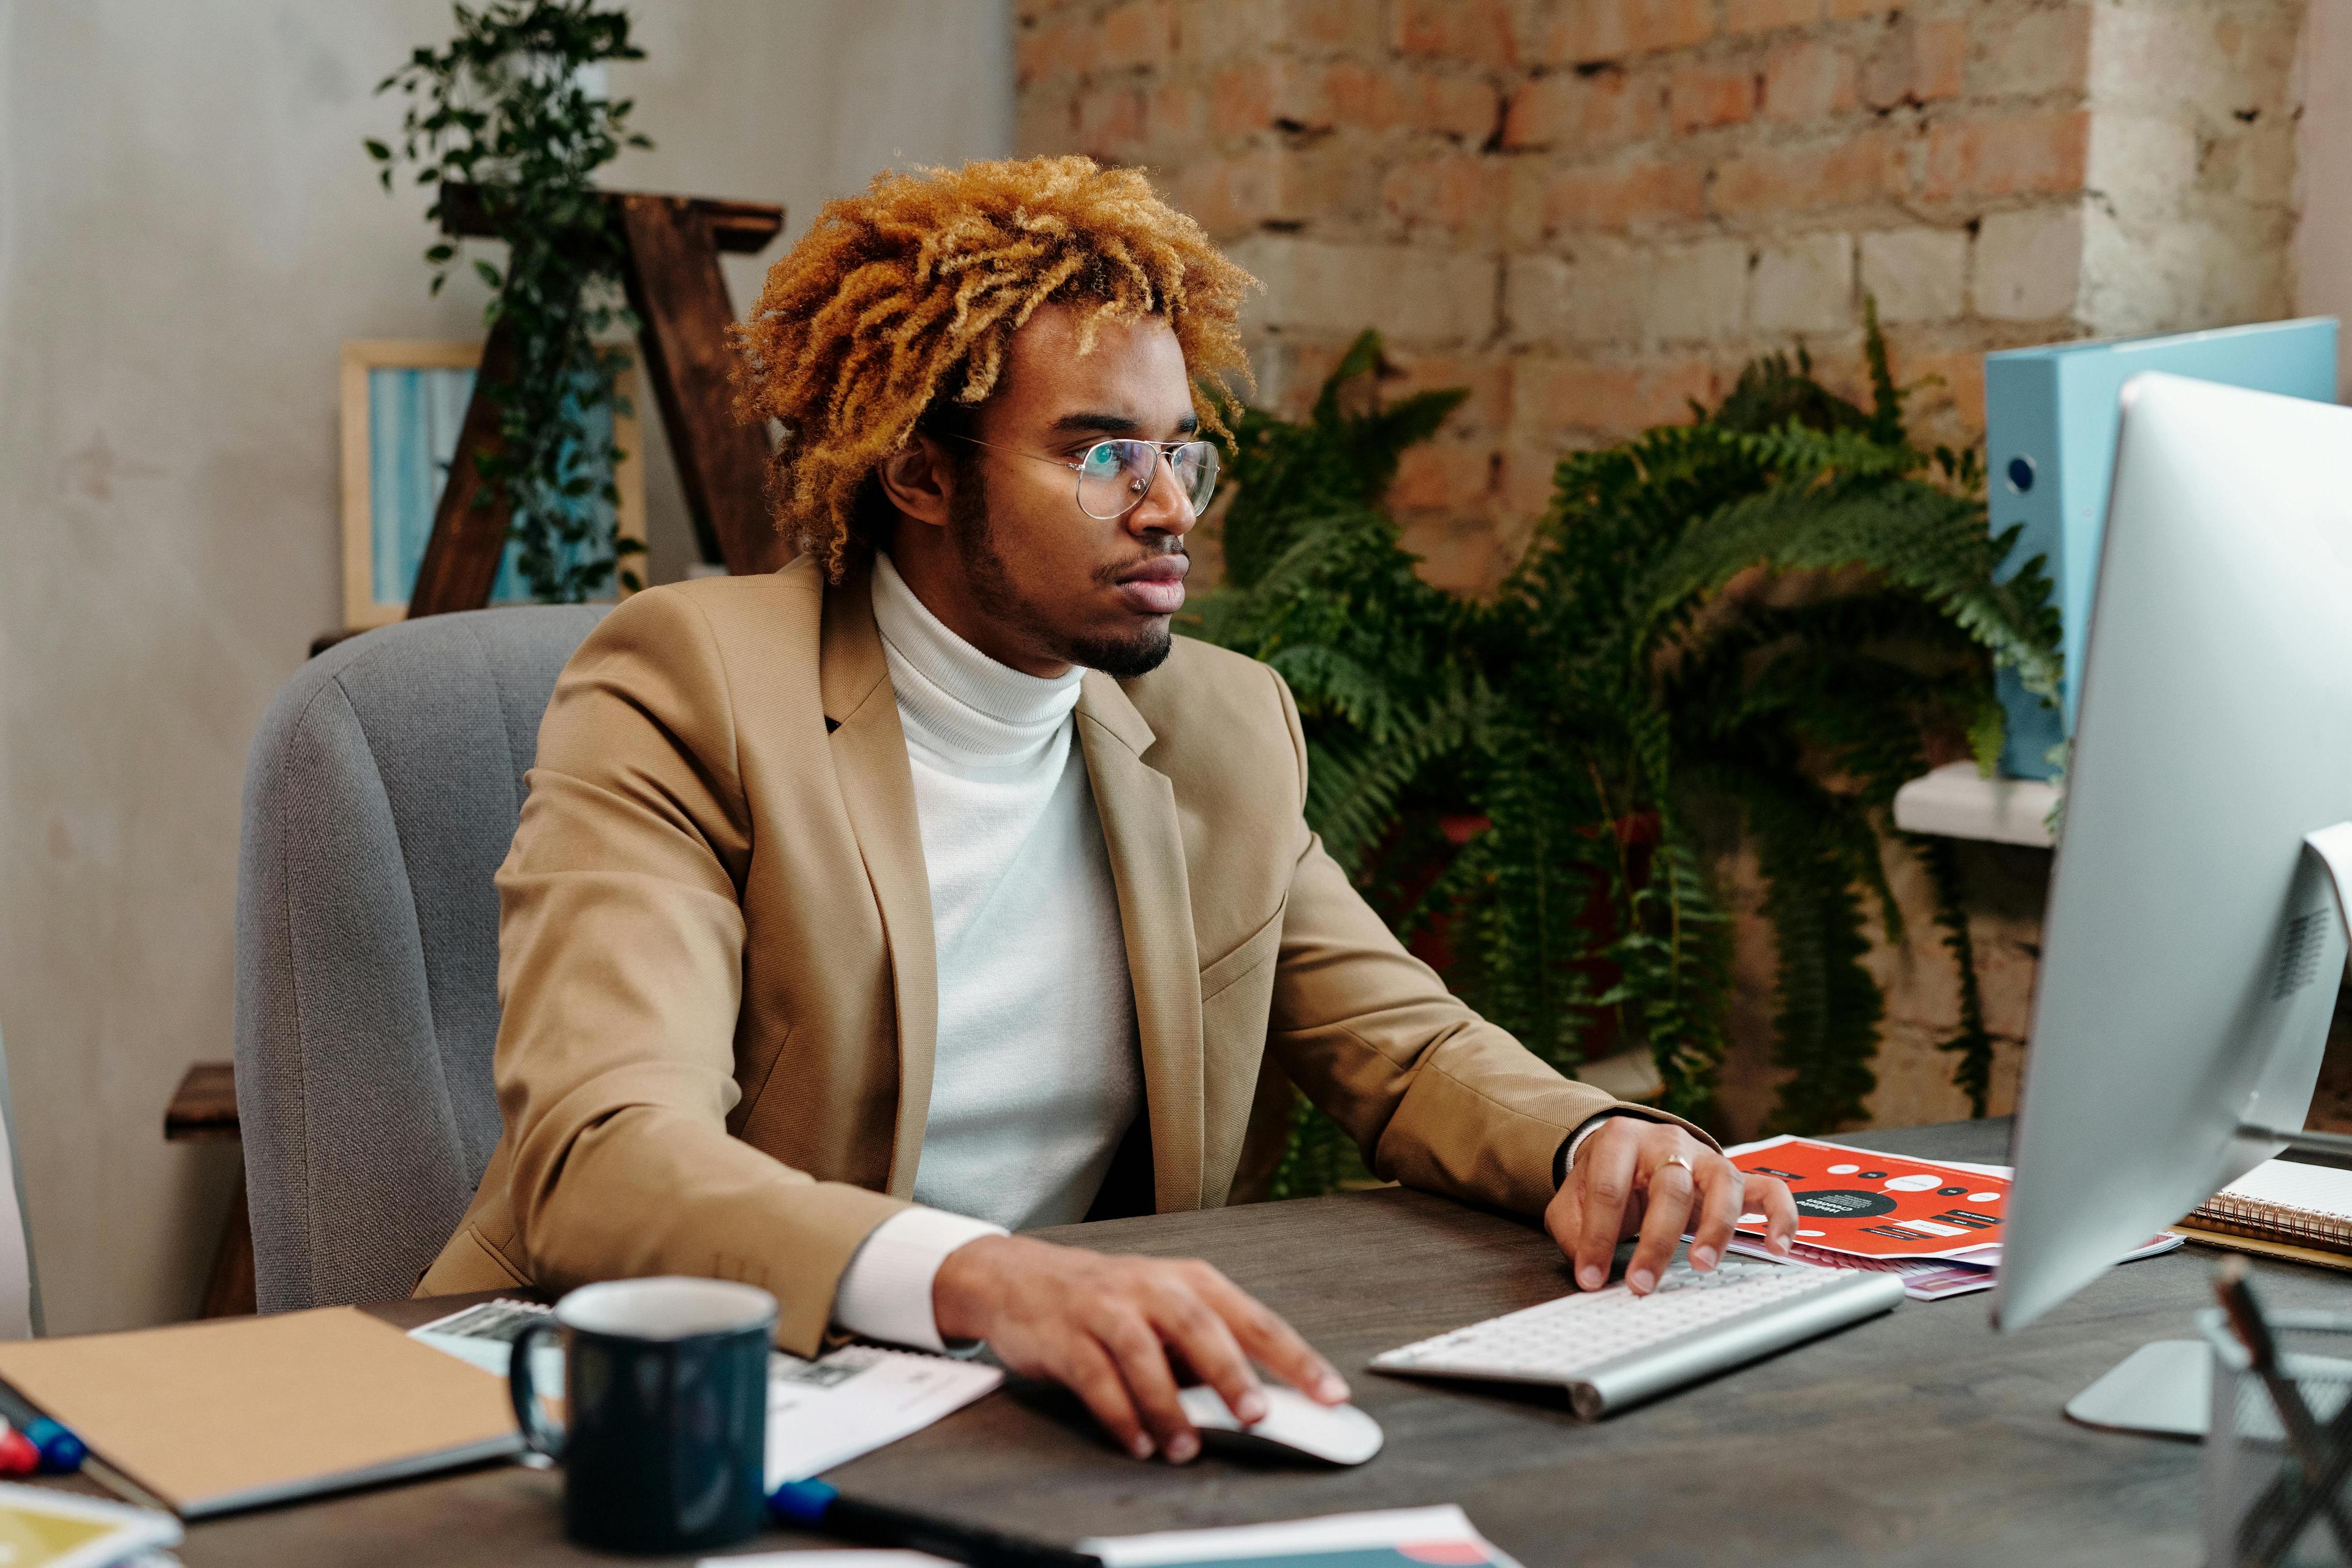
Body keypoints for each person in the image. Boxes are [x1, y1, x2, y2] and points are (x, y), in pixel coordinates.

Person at [420, 155, 1798, 1464]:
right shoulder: (693, 684)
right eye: (1099, 456)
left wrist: (1588, 1138)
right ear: (918, 471)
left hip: (1011, 1411)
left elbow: (1406, 1044)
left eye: (1180, 456)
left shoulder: (1218, 725)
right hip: (619, 1397)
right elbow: (605, 1154)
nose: (1165, 509)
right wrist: (981, 1276)